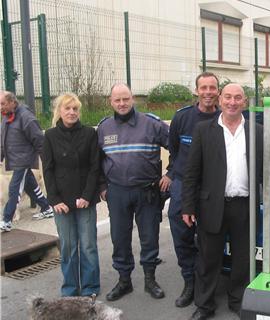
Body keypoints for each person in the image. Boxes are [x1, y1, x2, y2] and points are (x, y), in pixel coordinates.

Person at [182, 83, 263, 320]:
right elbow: (192, 172)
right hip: (211, 206)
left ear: (244, 102)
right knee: (208, 259)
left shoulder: (257, 130)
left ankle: (238, 301)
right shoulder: (203, 130)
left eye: (238, 97)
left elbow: (269, 171)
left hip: (245, 206)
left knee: (242, 260)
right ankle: (204, 305)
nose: (232, 102)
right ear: (220, 100)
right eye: (227, 97)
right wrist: (187, 206)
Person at [97, 83, 169, 301]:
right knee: (119, 238)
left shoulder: (152, 124)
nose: (121, 103)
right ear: (111, 101)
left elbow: (177, 147)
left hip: (147, 191)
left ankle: (150, 280)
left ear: (133, 99)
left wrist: (171, 174)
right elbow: (96, 161)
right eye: (117, 100)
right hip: (117, 192)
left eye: (125, 99)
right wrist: (102, 187)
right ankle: (124, 281)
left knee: (149, 237)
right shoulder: (104, 127)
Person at [160, 72, 221, 308]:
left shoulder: (226, 118)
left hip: (213, 190)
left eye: (212, 87)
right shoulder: (182, 118)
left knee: (209, 239)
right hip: (183, 188)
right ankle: (189, 283)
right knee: (183, 237)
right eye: (203, 87)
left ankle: (208, 285)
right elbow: (174, 151)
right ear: (196, 91)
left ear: (218, 91)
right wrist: (172, 174)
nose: (207, 92)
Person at [41, 93, 100, 297]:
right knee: (68, 247)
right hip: (62, 202)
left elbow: (95, 167)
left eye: (75, 109)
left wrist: (86, 196)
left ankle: (91, 287)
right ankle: (70, 289)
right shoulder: (49, 136)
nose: (72, 112)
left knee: (88, 246)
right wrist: (55, 200)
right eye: (68, 108)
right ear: (60, 111)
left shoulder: (90, 134)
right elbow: (47, 170)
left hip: (85, 199)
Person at [0, 91, 54, 232]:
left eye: (2, 104)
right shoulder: (6, 117)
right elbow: (2, 140)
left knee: (14, 189)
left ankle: (6, 220)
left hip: (23, 160)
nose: (0, 107)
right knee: (30, 185)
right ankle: (46, 207)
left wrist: (46, 161)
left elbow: (38, 139)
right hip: (16, 159)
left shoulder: (26, 117)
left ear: (12, 102)